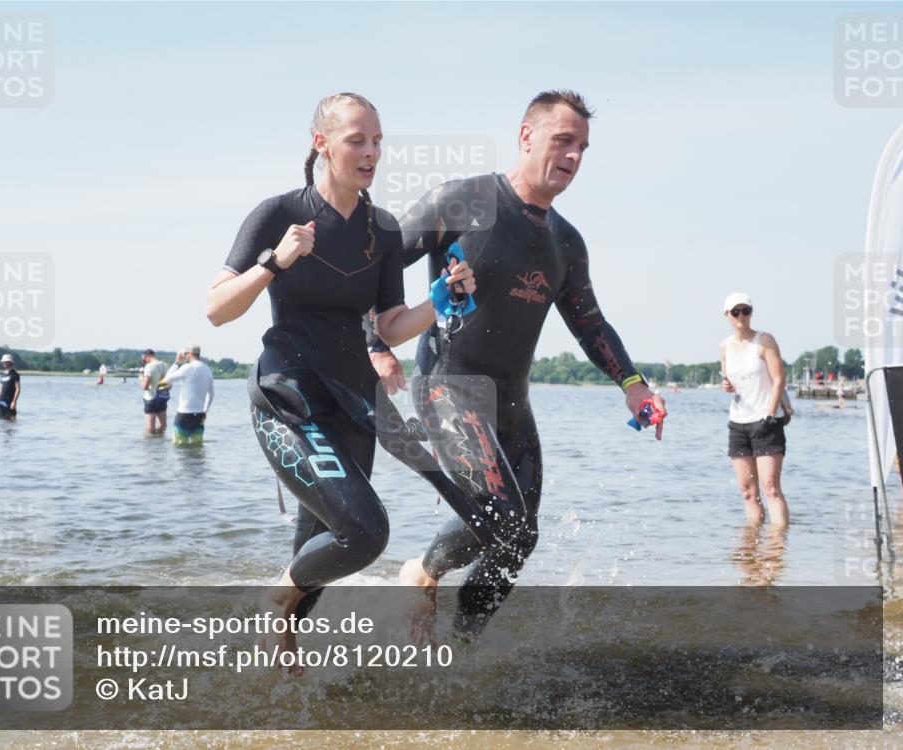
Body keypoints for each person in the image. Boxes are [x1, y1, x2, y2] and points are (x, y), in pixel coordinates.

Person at [365, 90, 667, 639]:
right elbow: (378, 265)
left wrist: (633, 384)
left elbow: (591, 324)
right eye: (564, 141)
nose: (573, 156)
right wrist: (376, 345)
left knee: (520, 536)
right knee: (501, 516)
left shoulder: (566, 241)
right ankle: (421, 573)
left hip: (513, 401)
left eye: (582, 148)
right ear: (526, 136)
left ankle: (463, 647)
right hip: (449, 386)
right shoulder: (463, 200)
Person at [206, 92, 476, 657]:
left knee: (322, 556)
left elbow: (390, 326)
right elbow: (217, 309)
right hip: (288, 400)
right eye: (357, 140)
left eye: (377, 141)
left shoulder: (381, 229)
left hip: (354, 404)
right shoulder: (278, 214)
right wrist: (273, 262)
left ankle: (275, 673)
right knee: (364, 531)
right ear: (322, 144)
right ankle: (273, 603)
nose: (371, 151)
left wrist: (439, 303)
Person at [719, 292, 789, 528]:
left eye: (745, 310)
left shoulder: (765, 340)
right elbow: (730, 380)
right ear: (727, 315)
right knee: (747, 491)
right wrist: (726, 386)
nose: (741, 316)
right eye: (735, 311)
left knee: (770, 488)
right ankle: (751, 542)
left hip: (766, 421)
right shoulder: (724, 346)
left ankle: (778, 543)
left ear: (751, 313)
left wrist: (769, 415)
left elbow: (779, 380)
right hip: (738, 422)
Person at [162, 344, 215, 445]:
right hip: (199, 414)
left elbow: (166, 380)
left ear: (189, 354)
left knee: (179, 446)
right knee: (197, 446)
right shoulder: (207, 370)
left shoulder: (187, 368)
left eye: (185, 354)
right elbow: (211, 394)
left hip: (184, 413)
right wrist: (205, 412)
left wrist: (176, 363)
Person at [139, 349, 170, 434]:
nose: (143, 361)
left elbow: (145, 386)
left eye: (143, 359)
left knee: (150, 427)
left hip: (151, 398)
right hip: (162, 397)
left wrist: (141, 378)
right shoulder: (165, 365)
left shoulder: (149, 366)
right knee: (163, 425)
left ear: (145, 356)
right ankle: (160, 440)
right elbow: (169, 385)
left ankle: (150, 441)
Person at [0, 353, 20, 420]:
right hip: (1, 401)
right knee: (0, 421)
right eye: (3, 362)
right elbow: (0, 388)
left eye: (6, 362)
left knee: (12, 420)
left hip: (10, 402)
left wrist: (14, 402)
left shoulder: (15, 374)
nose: (4, 363)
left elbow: (18, 389)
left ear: (10, 362)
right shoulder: (3, 374)